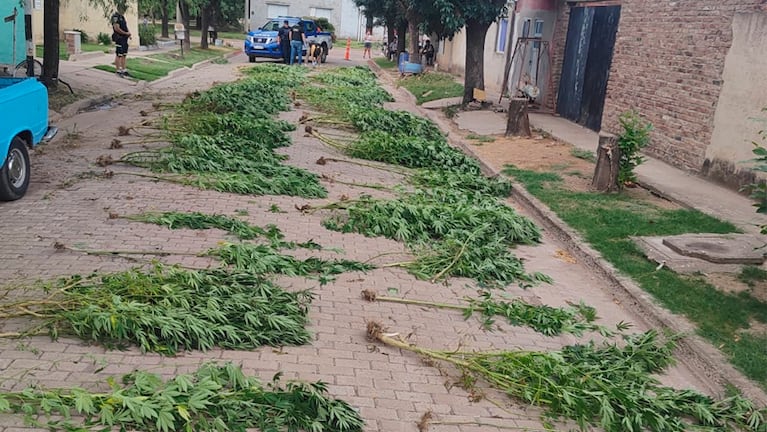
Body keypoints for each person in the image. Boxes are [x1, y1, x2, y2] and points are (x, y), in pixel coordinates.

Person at [111, 4, 131, 77]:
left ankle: (124, 70)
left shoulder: (122, 17)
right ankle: (118, 70)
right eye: (123, 8)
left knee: (124, 54)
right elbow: (116, 28)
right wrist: (125, 33)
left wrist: (128, 33)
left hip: (125, 38)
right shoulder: (115, 17)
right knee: (119, 54)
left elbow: (125, 26)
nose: (124, 10)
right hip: (119, 38)